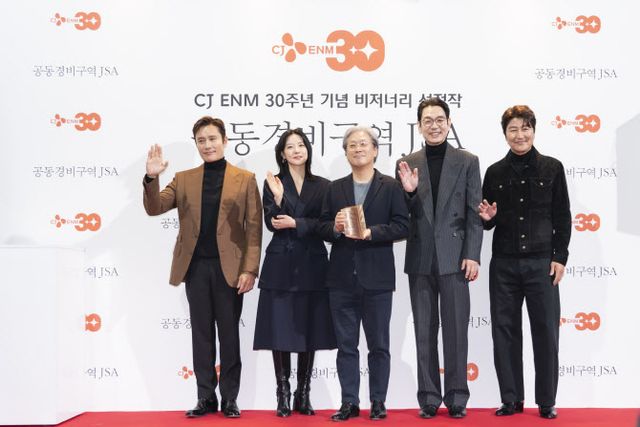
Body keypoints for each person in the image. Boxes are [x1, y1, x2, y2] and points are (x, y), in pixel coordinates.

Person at [142, 116, 262, 418]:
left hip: (230, 270)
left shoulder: (245, 179)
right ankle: (205, 397)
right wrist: (151, 178)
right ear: (196, 144)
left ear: (225, 141)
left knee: (229, 336)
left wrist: (250, 269)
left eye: (212, 139)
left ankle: (230, 398)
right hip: (195, 268)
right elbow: (155, 207)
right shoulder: (184, 179)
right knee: (201, 335)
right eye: (201, 140)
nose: (207, 145)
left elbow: (254, 229)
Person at [478, 105, 571, 419]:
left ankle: (546, 401)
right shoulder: (494, 172)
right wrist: (487, 218)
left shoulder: (552, 168)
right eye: (513, 129)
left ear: (534, 130)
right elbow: (487, 219)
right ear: (505, 134)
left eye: (525, 128)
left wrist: (560, 257)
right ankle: (510, 399)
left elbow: (562, 216)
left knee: (546, 332)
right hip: (504, 264)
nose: (520, 135)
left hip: (541, 263)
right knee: (504, 331)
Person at [396, 97, 483, 419]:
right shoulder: (407, 163)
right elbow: (400, 215)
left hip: (455, 258)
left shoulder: (468, 161)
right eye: (427, 121)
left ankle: (457, 397)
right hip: (420, 257)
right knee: (424, 331)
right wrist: (408, 192)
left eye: (439, 120)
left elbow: (474, 213)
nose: (434, 126)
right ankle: (429, 397)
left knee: (456, 331)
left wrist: (472, 254)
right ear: (419, 126)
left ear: (449, 123)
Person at [318, 126, 409, 421]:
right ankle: (349, 402)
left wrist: (371, 232)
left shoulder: (391, 186)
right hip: (341, 279)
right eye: (352, 145)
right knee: (346, 346)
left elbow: (403, 226)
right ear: (346, 152)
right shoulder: (335, 188)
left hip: (377, 279)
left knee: (379, 346)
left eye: (363, 144)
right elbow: (322, 227)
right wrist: (335, 228)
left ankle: (378, 401)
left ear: (375, 150)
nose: (358, 149)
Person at [253, 128, 336, 417]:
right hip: (280, 265)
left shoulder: (324, 186)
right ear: (282, 154)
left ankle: (304, 392)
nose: (297, 150)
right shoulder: (273, 183)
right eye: (290, 147)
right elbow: (273, 223)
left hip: (313, 265)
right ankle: (283, 393)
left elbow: (327, 227)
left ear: (308, 150)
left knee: (308, 328)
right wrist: (278, 200)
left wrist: (297, 223)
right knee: (280, 329)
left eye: (301, 145)